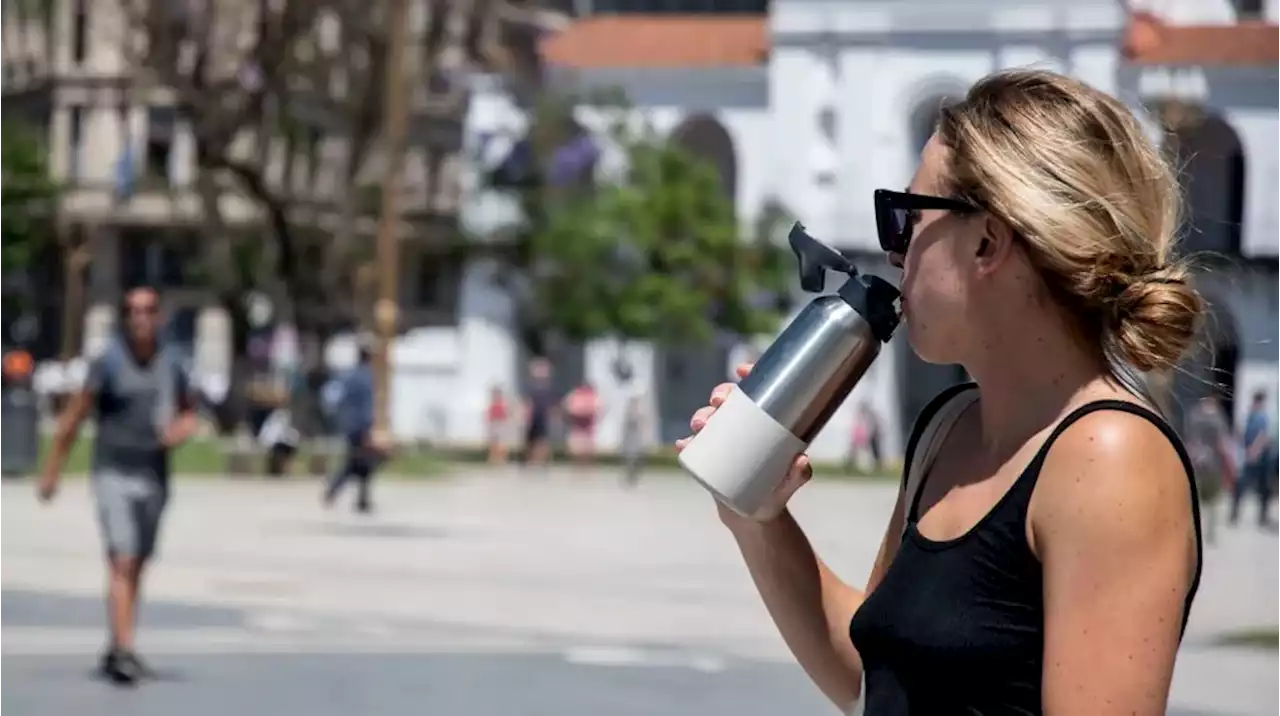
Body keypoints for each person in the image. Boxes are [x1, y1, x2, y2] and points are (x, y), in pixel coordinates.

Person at [676, 69, 1204, 715]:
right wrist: (757, 518)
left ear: (987, 241)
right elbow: (876, 676)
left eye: (905, 218)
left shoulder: (1109, 458)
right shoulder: (949, 428)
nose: (894, 253)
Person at [38, 286, 198, 686]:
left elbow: (189, 409)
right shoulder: (107, 361)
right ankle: (124, 650)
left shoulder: (173, 360)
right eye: (132, 311)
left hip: (155, 474)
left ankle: (118, 643)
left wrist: (181, 429)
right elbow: (75, 415)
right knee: (122, 559)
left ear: (159, 316)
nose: (140, 317)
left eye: (147, 310)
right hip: (113, 471)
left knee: (139, 561)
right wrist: (53, 468)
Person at [322, 346, 377, 513]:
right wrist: (369, 425)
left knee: (361, 461)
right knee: (358, 462)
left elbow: (332, 396)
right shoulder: (368, 377)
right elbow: (369, 405)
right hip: (361, 425)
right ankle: (338, 490)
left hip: (347, 423)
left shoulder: (348, 375)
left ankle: (361, 498)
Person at [1184, 394, 1236, 544]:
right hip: (1213, 464)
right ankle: (1210, 534)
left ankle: (1193, 533)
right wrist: (1229, 463)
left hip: (1196, 462)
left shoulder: (1194, 416)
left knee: (1195, 499)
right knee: (1213, 501)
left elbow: (1189, 440)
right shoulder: (1217, 419)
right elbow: (1222, 443)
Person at [1232, 390, 1272, 527]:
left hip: (1258, 456)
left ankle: (1261, 517)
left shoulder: (1257, 416)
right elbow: (1259, 435)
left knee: (1261, 487)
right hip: (1255, 455)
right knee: (1246, 485)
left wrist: (1254, 450)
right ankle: (1237, 514)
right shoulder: (1255, 416)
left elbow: (1262, 436)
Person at [520, 358, 556, 469]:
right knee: (531, 438)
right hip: (533, 414)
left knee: (542, 438)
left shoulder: (547, 388)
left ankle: (542, 460)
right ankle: (530, 460)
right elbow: (527, 402)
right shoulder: (530, 388)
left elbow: (551, 403)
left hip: (542, 414)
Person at [563, 381, 600, 466]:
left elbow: (596, 410)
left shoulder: (593, 396)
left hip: (588, 429)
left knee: (587, 453)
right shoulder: (574, 395)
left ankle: (587, 470)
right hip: (577, 429)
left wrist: (583, 410)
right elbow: (569, 409)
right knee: (577, 452)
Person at [486, 385, 511, 465]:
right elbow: (489, 416)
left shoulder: (503, 404)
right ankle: (493, 459)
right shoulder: (492, 404)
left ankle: (501, 459)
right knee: (493, 443)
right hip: (493, 423)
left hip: (500, 424)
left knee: (501, 443)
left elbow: (505, 415)